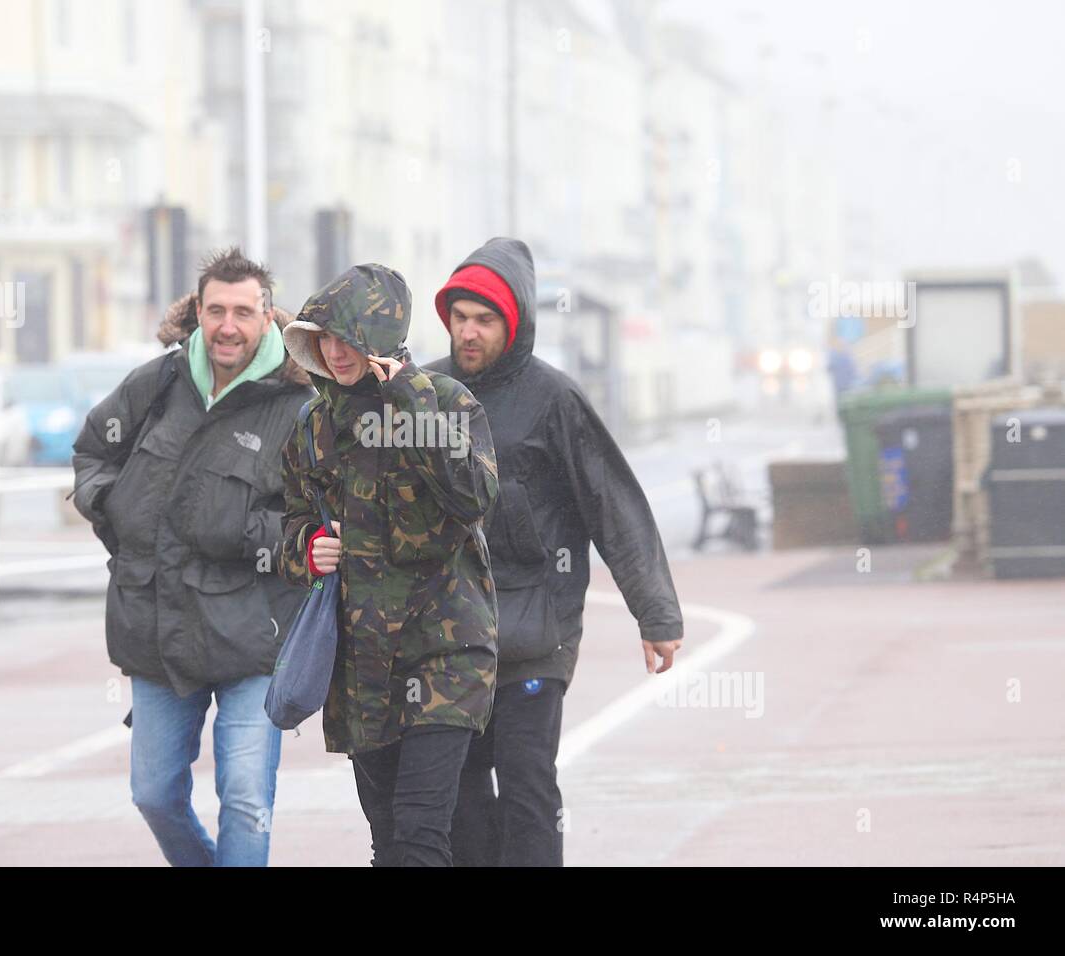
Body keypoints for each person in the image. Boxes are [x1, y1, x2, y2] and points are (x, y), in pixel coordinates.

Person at [426, 237, 685, 867]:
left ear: (513, 324)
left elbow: (611, 502)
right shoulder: (424, 392)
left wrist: (656, 615)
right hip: (447, 631)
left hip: (536, 629)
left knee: (526, 783)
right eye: (459, 317)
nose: (469, 332)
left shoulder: (554, 399)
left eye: (484, 320)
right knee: (458, 793)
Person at [71, 247, 313, 866]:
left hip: (254, 636)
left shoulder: (300, 406)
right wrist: (115, 505)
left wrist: (242, 528)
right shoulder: (156, 384)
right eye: (215, 310)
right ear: (197, 313)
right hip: (158, 628)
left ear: (267, 318)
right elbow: (94, 451)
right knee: (153, 794)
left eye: (242, 311)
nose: (227, 325)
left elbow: (314, 518)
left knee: (246, 799)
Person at [276, 263, 499, 867]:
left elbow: (475, 496)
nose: (335, 351)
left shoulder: (446, 400)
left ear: (381, 336)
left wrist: (408, 400)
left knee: (424, 833)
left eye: (348, 336)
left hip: (444, 656)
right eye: (322, 338)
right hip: (362, 666)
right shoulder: (315, 425)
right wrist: (308, 546)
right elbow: (288, 521)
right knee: (390, 843)